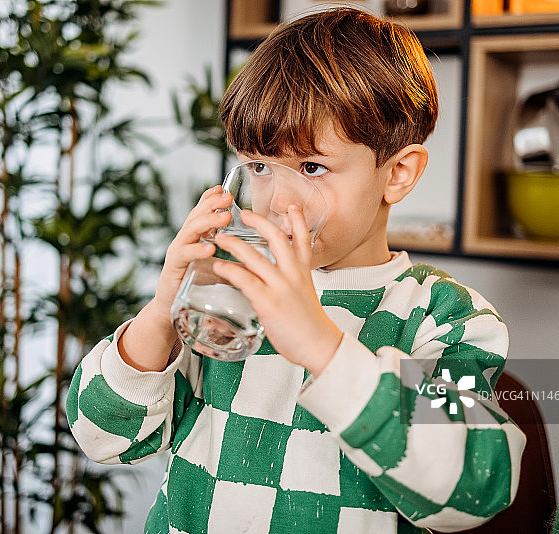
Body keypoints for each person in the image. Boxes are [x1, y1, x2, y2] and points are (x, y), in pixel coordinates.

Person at [67, 7, 525, 533]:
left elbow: (473, 489)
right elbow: (102, 437)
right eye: (260, 166)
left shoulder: (444, 318)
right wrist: (160, 313)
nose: (277, 200)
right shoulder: (228, 290)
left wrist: (319, 345)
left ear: (398, 173)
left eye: (311, 167)